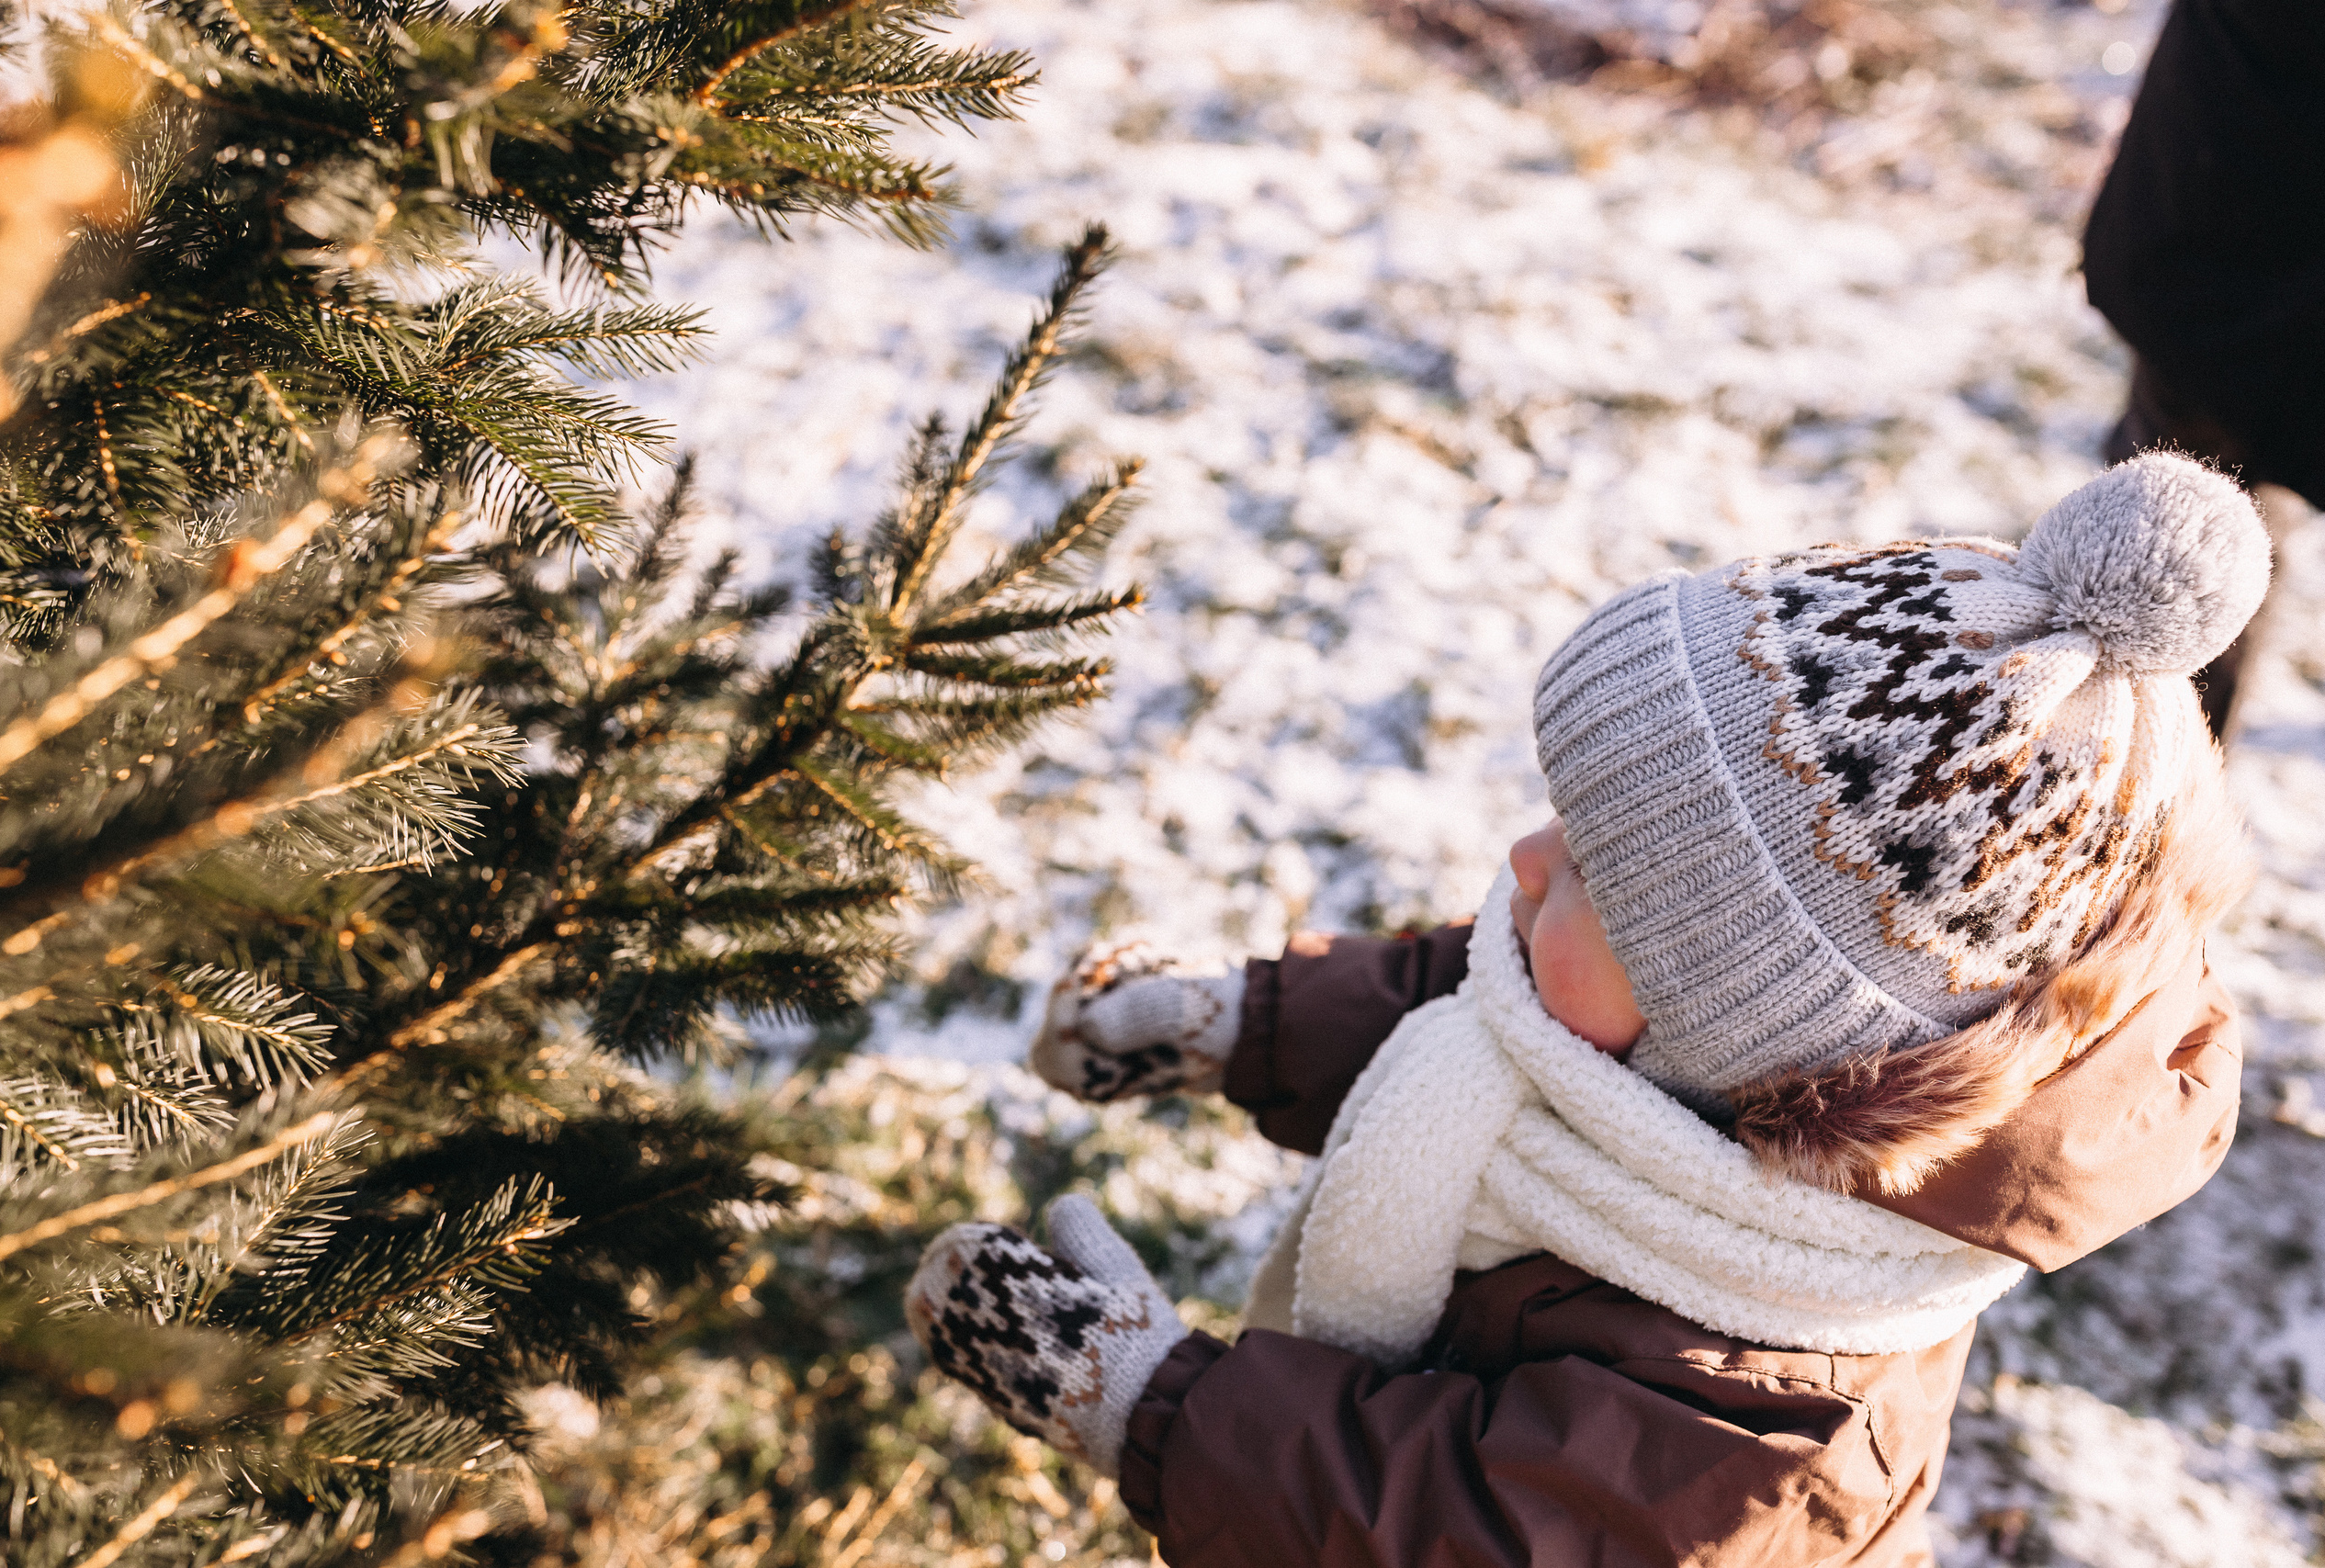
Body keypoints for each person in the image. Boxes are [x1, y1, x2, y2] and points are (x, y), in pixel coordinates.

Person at [907, 453, 2267, 1566]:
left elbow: (1454, 1529)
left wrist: (1153, 1405)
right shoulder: (1657, 1048)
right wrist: (1234, 1020)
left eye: (1599, 880)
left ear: (1749, 1035)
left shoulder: (1773, 1410)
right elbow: (1480, 997)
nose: (1526, 862)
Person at [2083, 0, 2325, 733]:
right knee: (2163, 564)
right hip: (2221, 227)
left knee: (2167, 550)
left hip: (2215, 219)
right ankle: (2131, 818)